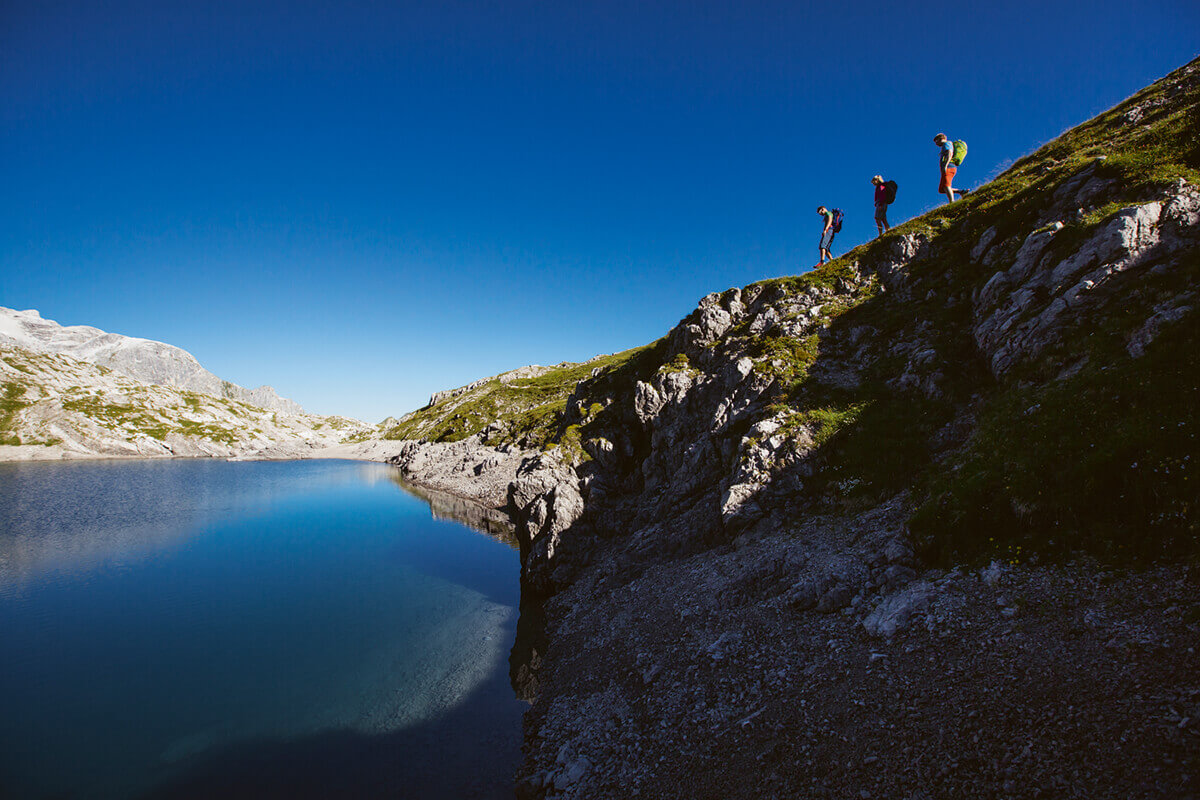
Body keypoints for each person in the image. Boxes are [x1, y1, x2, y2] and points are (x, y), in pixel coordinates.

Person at [933, 133, 967, 204]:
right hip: (949, 166)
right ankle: (961, 191)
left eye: (936, 141)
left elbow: (950, 153)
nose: (936, 144)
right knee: (941, 189)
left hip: (949, 166)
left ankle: (952, 202)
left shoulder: (947, 144)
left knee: (946, 186)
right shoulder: (945, 145)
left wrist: (945, 165)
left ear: (941, 139)